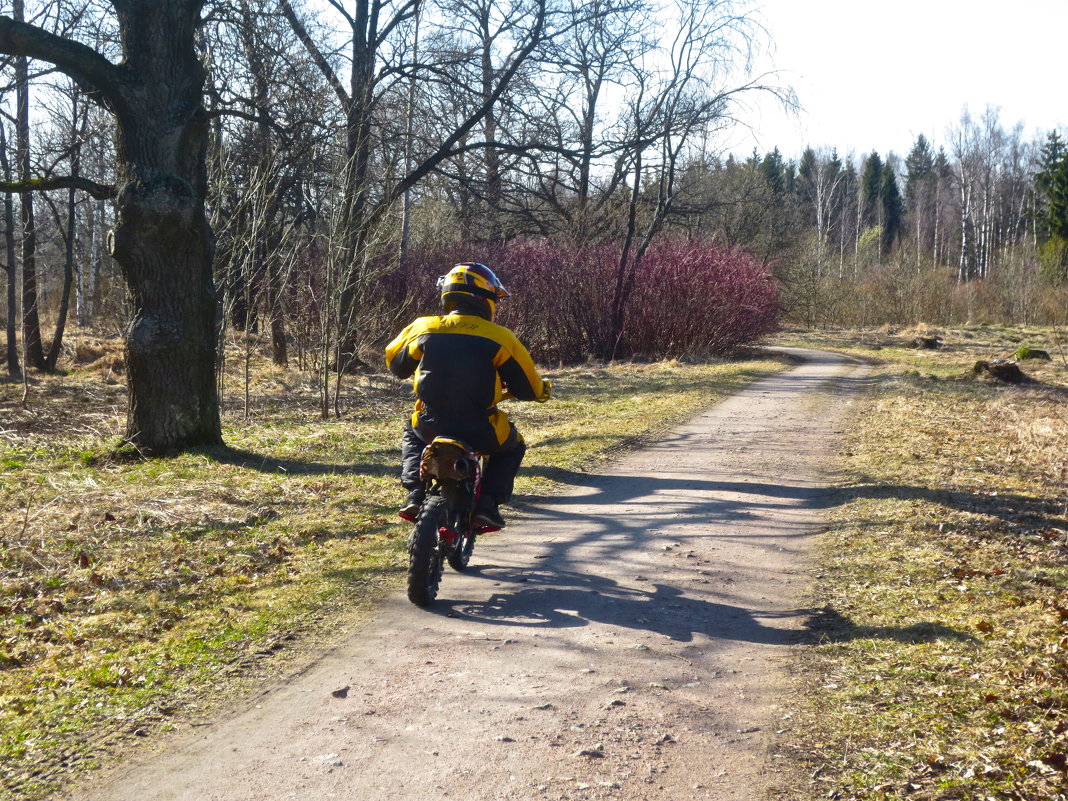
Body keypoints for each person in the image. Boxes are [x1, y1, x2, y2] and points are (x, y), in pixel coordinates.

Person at [385, 263, 551, 528]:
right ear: (485, 299)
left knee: (411, 432)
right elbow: (528, 389)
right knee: (514, 445)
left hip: (430, 425)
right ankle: (488, 505)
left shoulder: (423, 327)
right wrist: (543, 390)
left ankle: (415, 492)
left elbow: (397, 365)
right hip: (480, 429)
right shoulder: (500, 337)